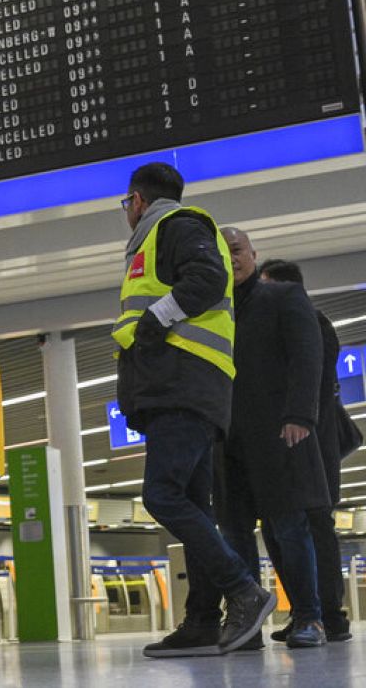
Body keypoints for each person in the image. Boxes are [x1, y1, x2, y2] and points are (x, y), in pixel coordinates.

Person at [113, 162, 274, 658]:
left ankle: (243, 590)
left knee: (162, 494)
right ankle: (202, 621)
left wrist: (154, 323)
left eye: (126, 204)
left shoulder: (175, 225)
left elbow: (207, 275)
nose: (127, 212)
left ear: (137, 200)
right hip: (182, 386)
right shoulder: (157, 237)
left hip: (181, 385)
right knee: (194, 502)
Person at [214, 230, 329, 648]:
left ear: (253, 255)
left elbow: (307, 353)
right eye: (221, 254)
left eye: (237, 251)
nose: (231, 259)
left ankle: (309, 618)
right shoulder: (211, 311)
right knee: (235, 531)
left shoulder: (281, 297)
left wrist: (300, 414)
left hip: (279, 432)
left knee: (289, 527)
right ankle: (247, 626)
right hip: (226, 438)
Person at [258, 258, 354, 643]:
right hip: (299, 446)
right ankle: (306, 611)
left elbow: (309, 385)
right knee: (287, 529)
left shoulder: (311, 322)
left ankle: (329, 615)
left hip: (311, 446)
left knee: (315, 527)